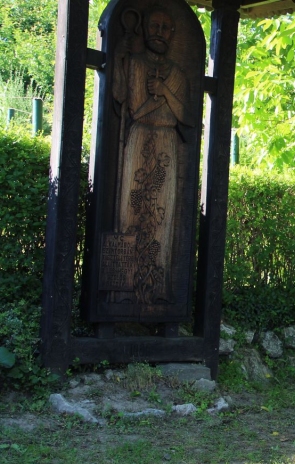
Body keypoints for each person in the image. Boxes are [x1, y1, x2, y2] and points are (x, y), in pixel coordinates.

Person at [112, 6, 193, 304]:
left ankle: (156, 286)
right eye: (154, 26)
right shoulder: (134, 64)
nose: (159, 33)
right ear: (145, 29)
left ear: (171, 35)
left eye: (165, 28)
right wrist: (119, 60)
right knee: (132, 204)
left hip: (166, 144)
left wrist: (163, 90)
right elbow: (120, 96)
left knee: (160, 209)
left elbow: (185, 115)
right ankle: (124, 286)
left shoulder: (178, 75)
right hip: (138, 137)